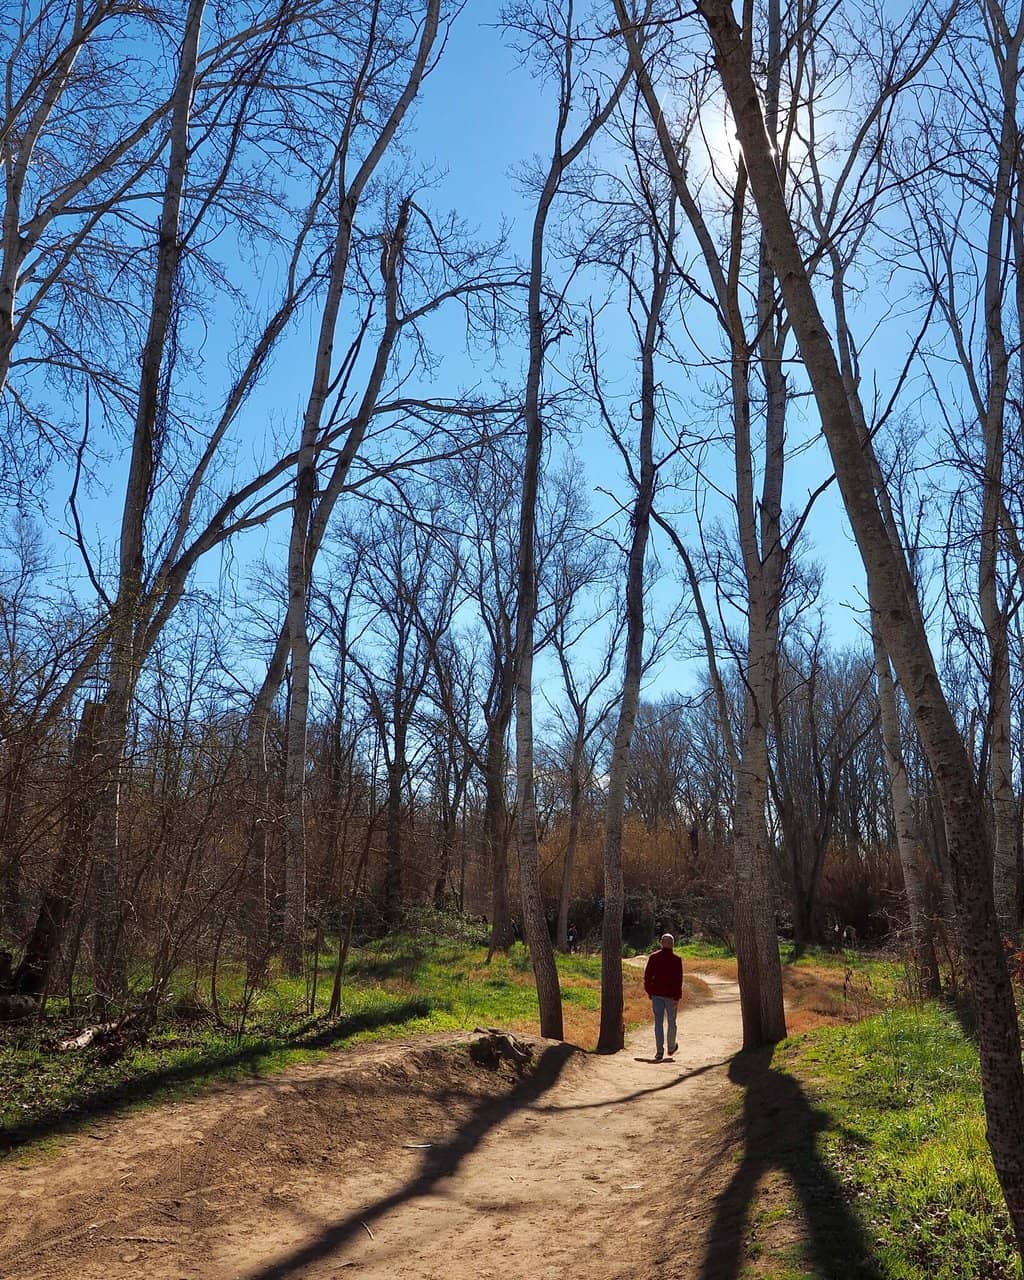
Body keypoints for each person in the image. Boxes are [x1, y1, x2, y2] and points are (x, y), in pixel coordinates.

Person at [643, 932, 682, 1061]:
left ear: (661, 942)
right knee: (672, 1022)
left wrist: (649, 991)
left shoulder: (654, 958)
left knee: (658, 1023)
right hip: (671, 996)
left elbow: (647, 976)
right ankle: (671, 1047)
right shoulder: (677, 960)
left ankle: (659, 1051)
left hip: (656, 994)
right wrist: (677, 997)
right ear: (673, 945)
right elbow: (678, 980)